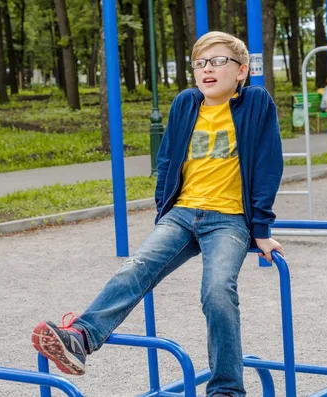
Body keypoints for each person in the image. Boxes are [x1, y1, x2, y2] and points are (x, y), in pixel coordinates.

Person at [31, 31, 284, 397]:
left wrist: (261, 228)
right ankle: (80, 339)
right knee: (136, 267)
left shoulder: (256, 102)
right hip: (181, 214)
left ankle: (227, 389)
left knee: (217, 293)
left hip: (228, 218)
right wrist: (163, 213)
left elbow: (267, 164)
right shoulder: (186, 104)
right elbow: (167, 160)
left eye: (217, 62)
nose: (206, 70)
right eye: (199, 63)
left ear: (241, 71)